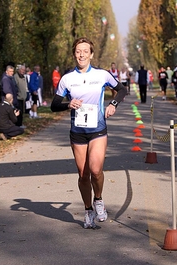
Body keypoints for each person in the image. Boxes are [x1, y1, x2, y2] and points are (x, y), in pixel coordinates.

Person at [50, 37, 127, 229]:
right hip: (77, 132)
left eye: (85, 51)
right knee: (83, 174)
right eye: (78, 51)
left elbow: (122, 89)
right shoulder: (67, 79)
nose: (81, 54)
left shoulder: (102, 75)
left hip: (98, 130)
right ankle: (88, 210)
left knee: (95, 170)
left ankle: (98, 200)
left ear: (91, 54)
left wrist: (113, 105)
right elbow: (54, 105)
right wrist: (69, 104)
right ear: (74, 54)